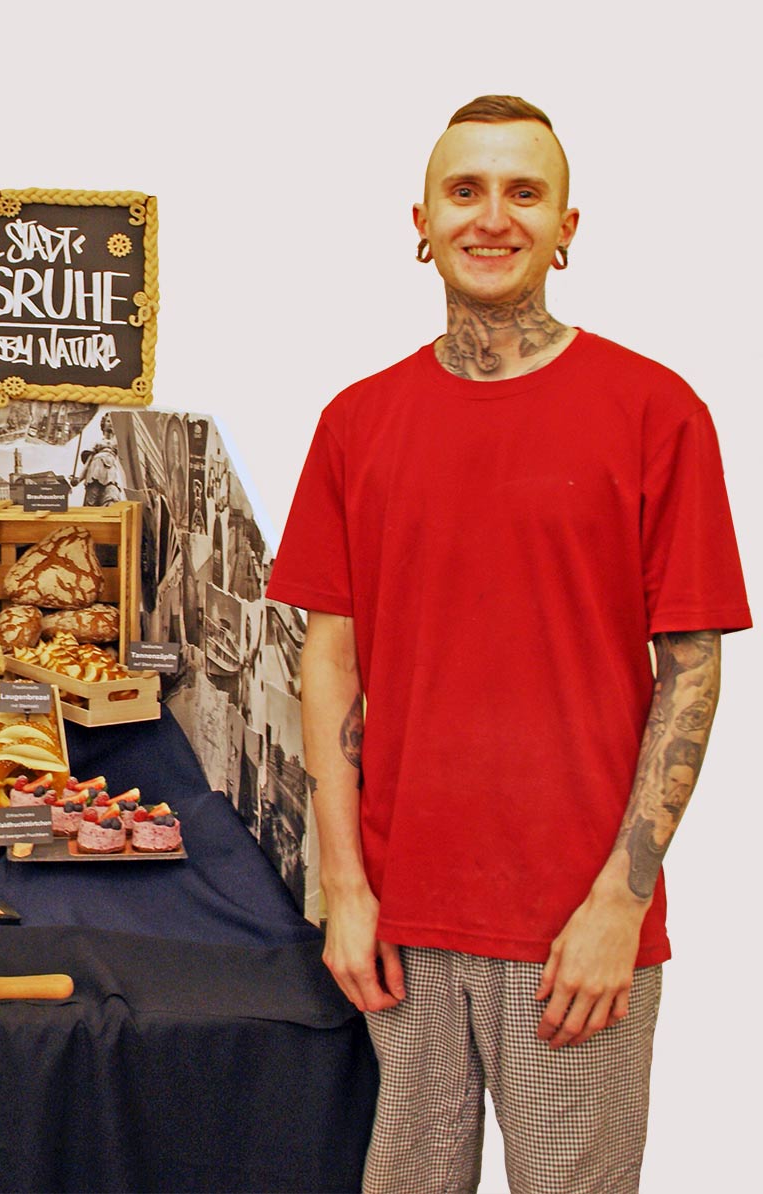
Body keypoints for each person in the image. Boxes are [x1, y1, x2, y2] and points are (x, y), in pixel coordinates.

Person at [265, 96, 750, 1193]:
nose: (494, 216)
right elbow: (329, 660)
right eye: (466, 190)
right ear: (422, 223)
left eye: (524, 192)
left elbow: (693, 671)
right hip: (402, 914)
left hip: (575, 918)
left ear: (568, 226)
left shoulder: (656, 411)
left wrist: (621, 902)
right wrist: (344, 884)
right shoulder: (358, 421)